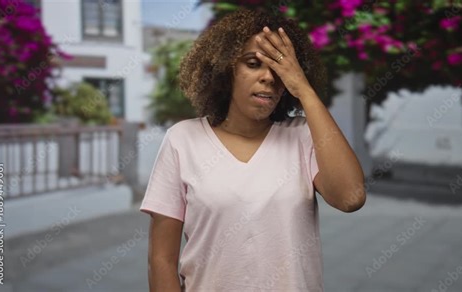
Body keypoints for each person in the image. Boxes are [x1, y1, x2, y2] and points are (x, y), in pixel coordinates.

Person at [140, 8, 366, 292]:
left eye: (280, 68)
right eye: (252, 63)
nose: (269, 77)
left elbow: (350, 197)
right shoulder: (182, 140)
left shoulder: (302, 136)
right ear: (226, 70)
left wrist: (305, 90)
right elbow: (161, 260)